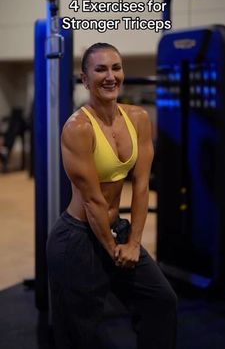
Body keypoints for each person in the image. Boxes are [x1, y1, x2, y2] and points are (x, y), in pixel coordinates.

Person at [47, 43, 177, 349]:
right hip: (77, 239)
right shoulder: (77, 128)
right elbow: (92, 200)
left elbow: (142, 186)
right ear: (84, 78)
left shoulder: (138, 119)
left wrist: (132, 242)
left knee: (161, 301)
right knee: (79, 334)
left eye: (116, 68)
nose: (110, 76)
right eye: (100, 69)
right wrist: (112, 248)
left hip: (117, 229)